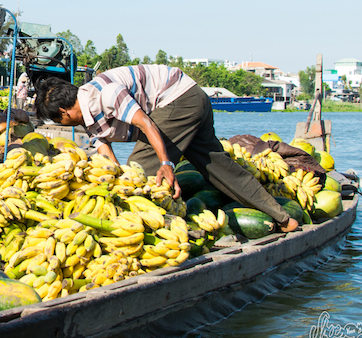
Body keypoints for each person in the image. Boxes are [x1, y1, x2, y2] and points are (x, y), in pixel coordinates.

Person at [34, 64, 300, 233]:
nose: (62, 124)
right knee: (216, 167)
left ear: (64, 112)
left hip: (180, 99)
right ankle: (284, 219)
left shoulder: (105, 93)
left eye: (58, 120)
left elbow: (146, 123)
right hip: (192, 98)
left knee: (140, 170)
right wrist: (111, 181)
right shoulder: (87, 115)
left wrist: (165, 163)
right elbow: (106, 152)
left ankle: (154, 232)